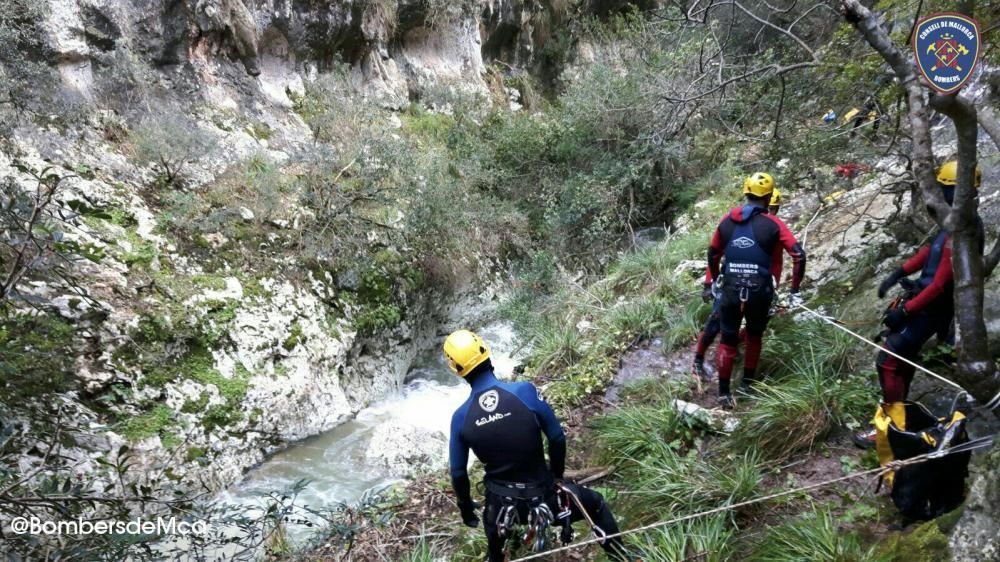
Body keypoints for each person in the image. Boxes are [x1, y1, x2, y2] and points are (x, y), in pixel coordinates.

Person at [445, 330, 635, 561]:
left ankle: (497, 553)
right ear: (486, 353)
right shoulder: (525, 392)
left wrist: (465, 507)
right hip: (545, 498)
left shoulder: (460, 417)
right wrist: (556, 476)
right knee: (596, 505)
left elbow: (457, 471)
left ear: (456, 369)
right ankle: (621, 557)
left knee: (494, 546)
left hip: (501, 509)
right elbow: (556, 438)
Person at [854, 160, 983, 448]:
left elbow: (939, 283)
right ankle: (899, 420)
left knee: (888, 360)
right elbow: (931, 251)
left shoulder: (966, 227)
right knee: (903, 359)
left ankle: (891, 428)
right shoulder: (956, 220)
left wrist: (905, 312)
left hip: (933, 308)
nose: (943, 195)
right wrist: (899, 272)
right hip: (926, 304)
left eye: (947, 189)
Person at [704, 173, 806, 408]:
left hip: (730, 288)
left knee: (728, 339)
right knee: (754, 335)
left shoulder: (727, 221)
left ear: (746, 192)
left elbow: (713, 253)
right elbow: (798, 254)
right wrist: (795, 291)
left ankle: (723, 393)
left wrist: (716, 279)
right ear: (769, 196)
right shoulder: (773, 223)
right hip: (759, 289)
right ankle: (747, 384)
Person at [692, 188, 784, 381]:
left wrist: (773, 287)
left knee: (754, 327)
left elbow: (776, 263)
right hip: (731, 280)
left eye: (774, 208)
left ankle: (734, 350)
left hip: (757, 285)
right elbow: (716, 255)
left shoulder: (770, 228)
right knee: (715, 321)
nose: (771, 211)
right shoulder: (743, 225)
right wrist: (710, 282)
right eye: (771, 207)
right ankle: (698, 359)